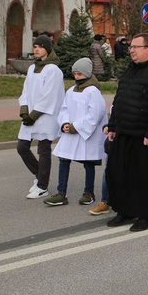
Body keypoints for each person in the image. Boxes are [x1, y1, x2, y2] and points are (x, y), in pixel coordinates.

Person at [105, 33, 148, 232]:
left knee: (144, 178)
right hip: (123, 132)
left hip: (144, 136)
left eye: (136, 47)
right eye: (131, 46)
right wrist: (113, 126)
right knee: (119, 174)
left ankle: (147, 215)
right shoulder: (129, 71)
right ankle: (124, 210)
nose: (131, 50)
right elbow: (119, 100)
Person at [43, 58, 107, 207]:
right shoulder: (71, 90)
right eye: (75, 74)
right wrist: (65, 123)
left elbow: (96, 114)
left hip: (85, 134)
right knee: (63, 159)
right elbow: (63, 109)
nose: (76, 76)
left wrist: (75, 127)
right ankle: (61, 193)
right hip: (70, 132)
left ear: (86, 73)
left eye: (79, 74)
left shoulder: (93, 91)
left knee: (88, 162)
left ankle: (89, 192)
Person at [17, 35, 65, 199]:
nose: (36, 49)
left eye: (40, 46)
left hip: (45, 116)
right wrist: (24, 110)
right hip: (30, 115)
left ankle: (42, 186)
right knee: (22, 147)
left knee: (43, 150)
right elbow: (26, 91)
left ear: (47, 48)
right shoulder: (32, 68)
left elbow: (49, 96)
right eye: (35, 46)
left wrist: (34, 115)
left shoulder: (53, 70)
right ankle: (40, 175)